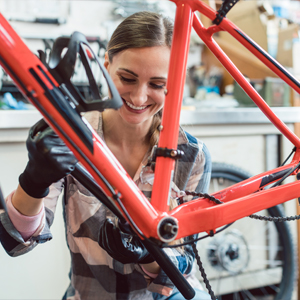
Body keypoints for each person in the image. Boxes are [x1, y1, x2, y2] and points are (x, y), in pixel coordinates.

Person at [0, 11, 212, 300]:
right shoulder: (72, 137)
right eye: (127, 77)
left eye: (157, 84)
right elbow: (15, 242)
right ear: (106, 65)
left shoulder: (191, 155)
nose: (139, 98)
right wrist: (33, 181)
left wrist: (146, 252)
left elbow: (178, 272)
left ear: (174, 81)